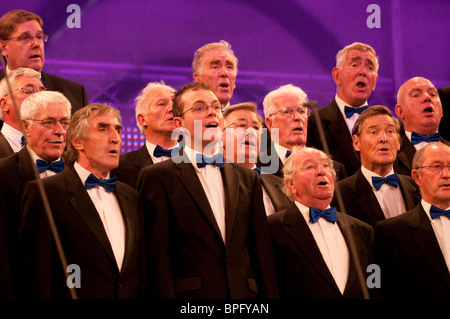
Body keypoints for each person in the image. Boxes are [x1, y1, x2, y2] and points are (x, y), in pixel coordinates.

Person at [137, 82, 278, 299]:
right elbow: (158, 258)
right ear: (179, 123)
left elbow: (261, 254)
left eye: (215, 107)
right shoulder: (157, 177)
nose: (211, 112)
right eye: (200, 108)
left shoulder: (247, 178)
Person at [19, 103, 145, 299]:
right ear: (77, 141)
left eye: (117, 130)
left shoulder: (132, 196)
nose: (115, 138)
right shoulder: (45, 193)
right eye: (103, 129)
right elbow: (36, 276)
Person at [267, 147, 375, 298]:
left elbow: (373, 279)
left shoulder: (362, 229)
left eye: (325, 165)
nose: (321, 171)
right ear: (291, 184)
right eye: (310, 166)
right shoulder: (273, 228)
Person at [0, 90, 71, 294]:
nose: (59, 131)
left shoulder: (80, 174)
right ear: (26, 126)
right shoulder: (3, 174)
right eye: (49, 122)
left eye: (64, 123)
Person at [374, 142, 450, 298]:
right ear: (417, 177)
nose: (446, 174)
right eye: (437, 166)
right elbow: (379, 288)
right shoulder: (393, 232)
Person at [333, 105, 421, 227]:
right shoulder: (339, 195)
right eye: (373, 132)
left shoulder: (418, 188)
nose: (383, 139)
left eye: (390, 131)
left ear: (399, 142)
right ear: (356, 143)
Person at [0, 10, 89, 121]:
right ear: (4, 48)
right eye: (25, 38)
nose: (36, 44)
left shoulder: (75, 92)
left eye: (39, 37)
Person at [307, 42, 379, 176]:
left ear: (375, 81)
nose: (363, 71)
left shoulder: (391, 127)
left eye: (369, 67)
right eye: (354, 65)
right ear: (337, 75)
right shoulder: (313, 123)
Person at [260, 83, 346, 180]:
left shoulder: (333, 170)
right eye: (287, 111)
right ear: (269, 123)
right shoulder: (256, 167)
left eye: (302, 111)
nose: (298, 117)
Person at [222, 102, 292, 215]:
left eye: (256, 127)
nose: (251, 132)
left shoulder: (282, 186)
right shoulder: (213, 182)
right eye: (241, 125)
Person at [114, 81, 178, 188]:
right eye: (162, 104)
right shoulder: (120, 167)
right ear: (142, 119)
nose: (172, 109)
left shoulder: (198, 160)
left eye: (176, 104)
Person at [394, 76, 449, 175]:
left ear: (442, 109)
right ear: (400, 111)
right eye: (416, 95)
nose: (427, 97)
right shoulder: (389, 155)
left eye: (432, 94)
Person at [0, 67, 45, 157]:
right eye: (29, 91)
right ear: (5, 104)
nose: (39, 97)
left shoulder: (61, 147)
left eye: (42, 92)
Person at [192, 40, 238, 108]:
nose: (224, 73)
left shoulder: (247, 117)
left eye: (229, 67)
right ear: (198, 78)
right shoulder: (188, 117)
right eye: (215, 67)